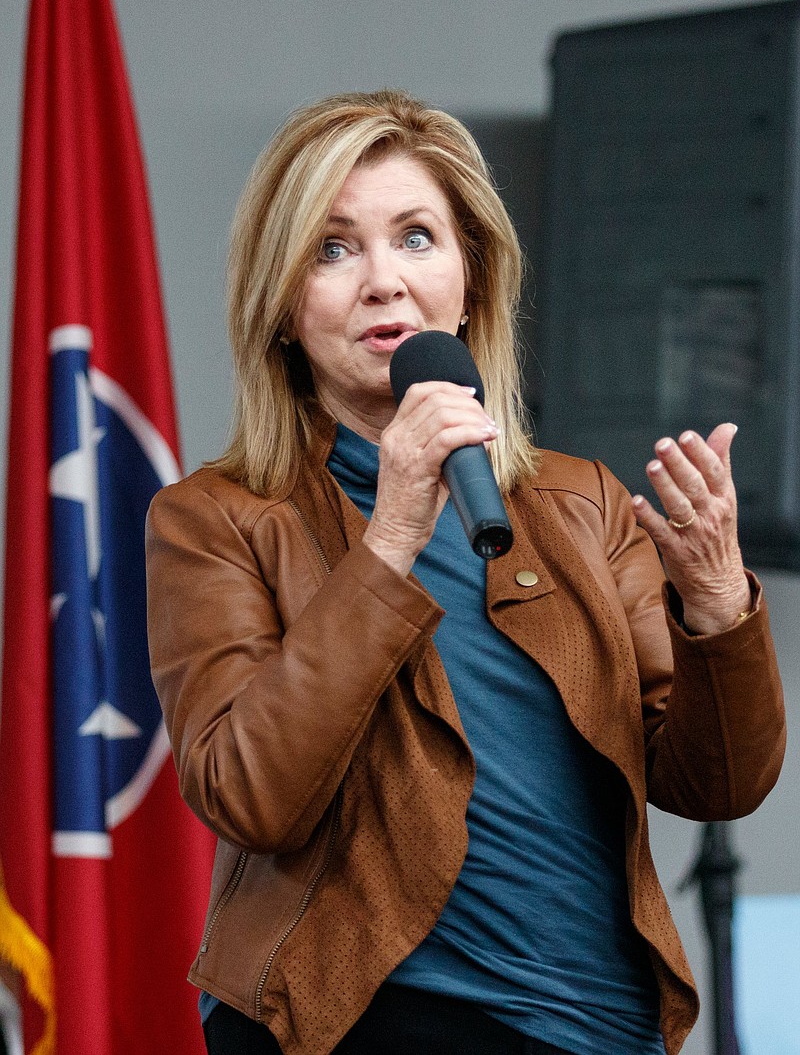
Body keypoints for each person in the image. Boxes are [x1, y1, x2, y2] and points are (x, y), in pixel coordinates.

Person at [145, 90, 786, 1055]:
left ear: (471, 280)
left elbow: (713, 782)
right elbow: (251, 793)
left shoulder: (580, 501)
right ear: (281, 306)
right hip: (369, 1018)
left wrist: (717, 598)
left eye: (415, 237)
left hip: (601, 1024)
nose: (382, 282)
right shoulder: (217, 519)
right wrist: (392, 533)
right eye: (332, 248)